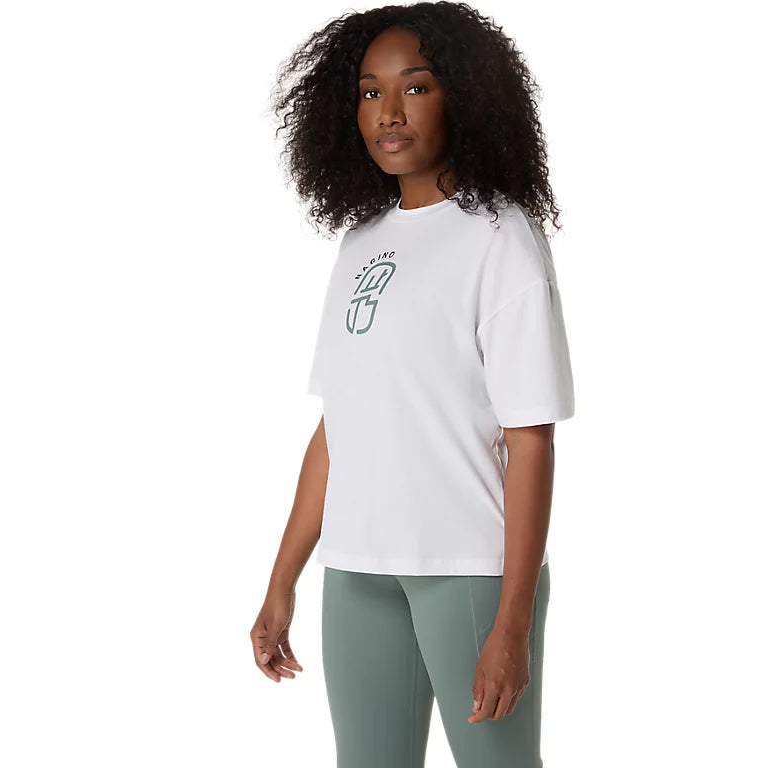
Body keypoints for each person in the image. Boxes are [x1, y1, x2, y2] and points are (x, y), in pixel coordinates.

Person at [251, 3, 574, 766]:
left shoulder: (500, 237)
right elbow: (338, 428)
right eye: (370, 92)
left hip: (467, 572)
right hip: (357, 570)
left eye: (416, 87)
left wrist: (513, 622)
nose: (388, 112)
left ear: (465, 96)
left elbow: (530, 439)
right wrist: (282, 579)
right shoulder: (361, 241)